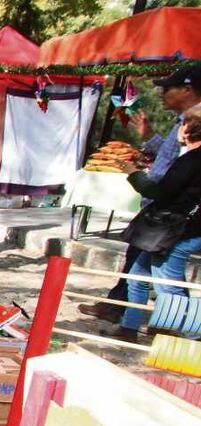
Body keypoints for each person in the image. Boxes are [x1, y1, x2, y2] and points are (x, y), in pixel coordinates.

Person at [80, 63, 201, 324]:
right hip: (161, 212)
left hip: (172, 216)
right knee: (141, 270)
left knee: (165, 276)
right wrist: (148, 137)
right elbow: (171, 160)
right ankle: (129, 320)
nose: (161, 94)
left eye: (167, 88)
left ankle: (183, 326)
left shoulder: (194, 127)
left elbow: (177, 176)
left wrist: (137, 175)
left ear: (187, 89)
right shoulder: (184, 125)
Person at [105, 106, 201, 343]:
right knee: (137, 276)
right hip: (171, 228)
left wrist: (135, 174)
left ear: (188, 128)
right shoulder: (189, 158)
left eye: (181, 124)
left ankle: (193, 334)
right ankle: (129, 328)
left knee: (166, 284)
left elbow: (162, 191)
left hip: (179, 230)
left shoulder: (192, 160)